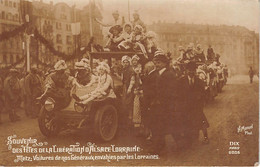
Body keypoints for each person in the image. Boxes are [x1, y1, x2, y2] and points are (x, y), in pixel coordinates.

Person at [146, 50, 177, 154]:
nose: (156, 64)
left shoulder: (170, 74)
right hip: (154, 105)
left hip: (165, 106)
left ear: (164, 63)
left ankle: (158, 147)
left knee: (161, 126)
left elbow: (171, 91)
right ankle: (158, 145)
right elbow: (149, 88)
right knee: (154, 125)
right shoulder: (154, 74)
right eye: (155, 62)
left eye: (158, 62)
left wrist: (161, 100)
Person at [176, 62, 209, 148]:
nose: (191, 72)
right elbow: (178, 94)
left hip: (196, 106)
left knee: (201, 121)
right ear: (186, 71)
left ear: (195, 71)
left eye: (193, 70)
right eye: (189, 70)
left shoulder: (199, 81)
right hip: (185, 107)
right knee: (187, 122)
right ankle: (189, 138)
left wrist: (200, 98)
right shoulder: (181, 81)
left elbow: (203, 93)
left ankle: (205, 137)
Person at [127, 55, 143, 127]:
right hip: (130, 85)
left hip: (137, 86)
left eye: (135, 60)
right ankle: (130, 117)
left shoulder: (139, 68)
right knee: (130, 102)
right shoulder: (130, 68)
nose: (134, 62)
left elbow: (137, 79)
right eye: (133, 60)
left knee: (137, 103)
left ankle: (137, 120)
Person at [121, 55, 134, 125]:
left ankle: (130, 117)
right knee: (124, 102)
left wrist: (129, 89)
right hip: (125, 86)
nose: (125, 63)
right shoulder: (124, 69)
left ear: (129, 63)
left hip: (129, 87)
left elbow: (132, 80)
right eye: (124, 62)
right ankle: (126, 117)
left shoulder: (131, 70)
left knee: (129, 102)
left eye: (127, 62)